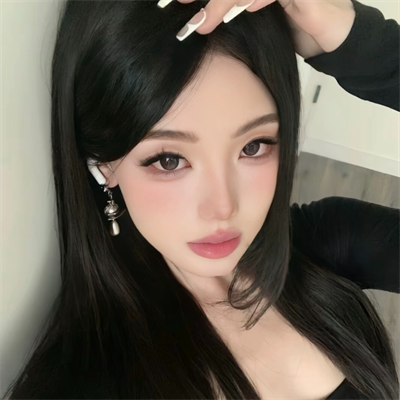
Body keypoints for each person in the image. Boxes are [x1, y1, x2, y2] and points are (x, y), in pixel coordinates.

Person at [3, 0, 399, 399]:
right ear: (103, 165)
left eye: (253, 146)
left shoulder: (328, 245)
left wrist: (358, 40)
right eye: (169, 160)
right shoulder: (77, 383)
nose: (223, 207)